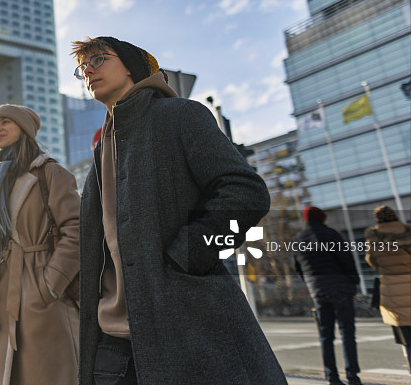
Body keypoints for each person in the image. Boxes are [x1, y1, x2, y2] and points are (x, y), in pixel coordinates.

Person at [71, 36, 285, 385]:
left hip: (184, 324)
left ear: (130, 66)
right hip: (111, 343)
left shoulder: (179, 115)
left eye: (98, 59)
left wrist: (190, 253)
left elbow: (246, 193)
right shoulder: (102, 149)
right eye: (82, 68)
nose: (88, 70)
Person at [0, 104, 80, 385]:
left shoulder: (50, 173)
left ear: (24, 130)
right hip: (2, 293)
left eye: (5, 122)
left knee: (46, 375)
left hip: (40, 291)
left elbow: (77, 229)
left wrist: (49, 284)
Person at [293, 205, 361, 385]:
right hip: (341, 290)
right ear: (321, 217)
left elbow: (299, 269)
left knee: (325, 335)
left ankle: (332, 377)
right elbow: (346, 261)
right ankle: (352, 375)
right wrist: (355, 281)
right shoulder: (331, 234)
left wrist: (312, 286)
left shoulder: (298, 240)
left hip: (319, 293)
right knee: (347, 333)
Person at [365, 205, 411, 374]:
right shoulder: (407, 231)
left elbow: (372, 262)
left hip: (392, 293)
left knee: (407, 340)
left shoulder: (374, 239)